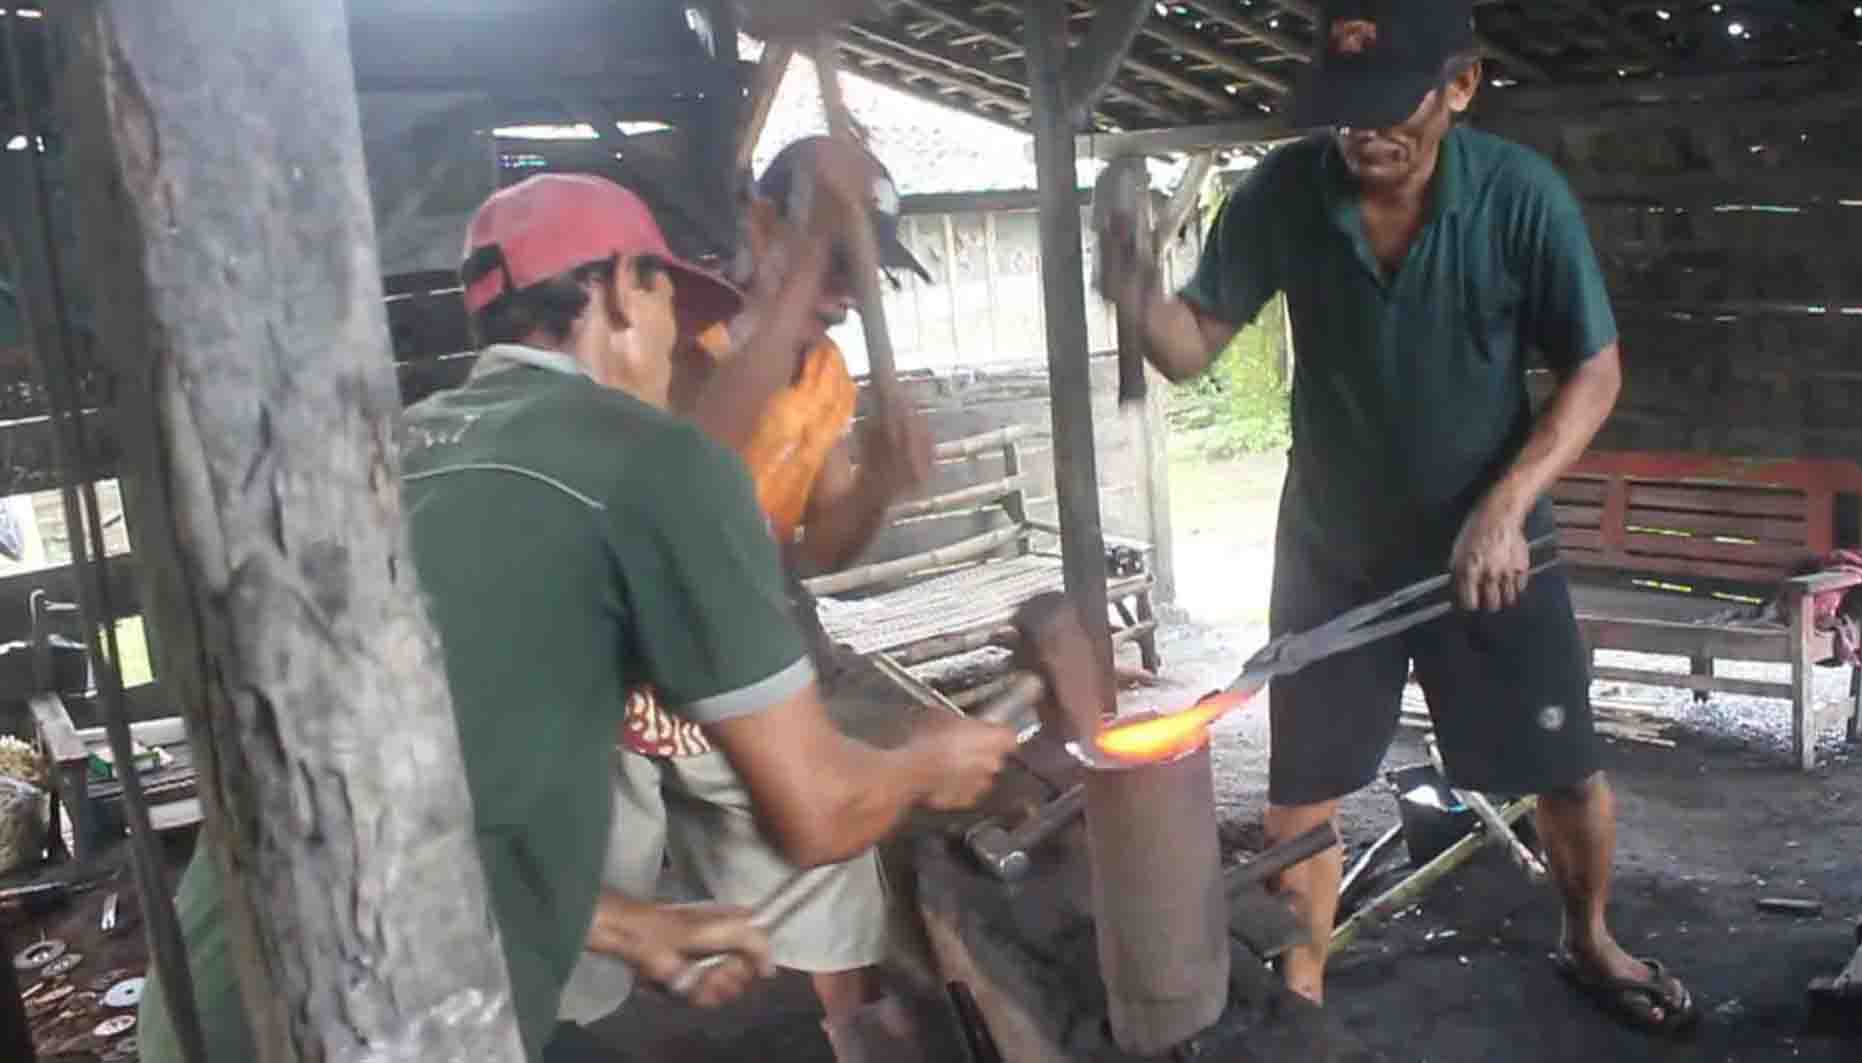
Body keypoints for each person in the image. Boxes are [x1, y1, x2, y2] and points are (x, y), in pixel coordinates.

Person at [140, 171, 1014, 1063]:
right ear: (622, 289)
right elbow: (820, 814)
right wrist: (929, 759)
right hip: (376, 1027)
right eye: (670, 299)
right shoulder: (659, 457)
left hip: (200, 1000)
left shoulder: (388, 451)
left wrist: (632, 927)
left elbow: (410, 806)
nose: (676, 340)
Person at [1097, 0, 1697, 1037]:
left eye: (1391, 109)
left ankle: (1588, 935)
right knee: (1303, 796)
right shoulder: (1286, 192)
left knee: (1566, 768)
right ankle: (1303, 1003)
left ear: (1460, 86)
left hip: (1494, 546)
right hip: (1334, 548)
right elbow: (1189, 346)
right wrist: (1135, 290)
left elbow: (1595, 372)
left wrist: (1507, 506)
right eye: (1344, 111)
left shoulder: (1522, 198)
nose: (1364, 134)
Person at [558, 138, 937, 1055]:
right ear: (761, 223)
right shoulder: (684, 337)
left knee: (824, 847)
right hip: (610, 660)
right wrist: (802, 260)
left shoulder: (825, 380)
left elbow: (817, 547)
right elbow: (687, 469)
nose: (847, 291)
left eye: (865, 270)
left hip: (726, 654)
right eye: (833, 260)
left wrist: (880, 483)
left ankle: (851, 1031)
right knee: (577, 899)